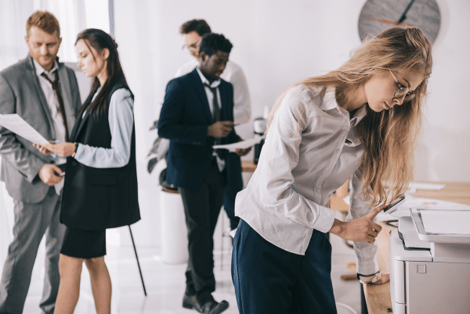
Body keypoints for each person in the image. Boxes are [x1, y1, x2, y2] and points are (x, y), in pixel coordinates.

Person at [231, 26, 432, 314]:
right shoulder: (302, 100)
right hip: (264, 238)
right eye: (400, 85)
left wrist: (368, 270)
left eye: (408, 93)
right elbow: (273, 190)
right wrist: (340, 227)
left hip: (312, 240)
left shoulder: (372, 126)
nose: (401, 99)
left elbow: (362, 204)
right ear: (377, 63)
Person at [34, 28, 140, 314]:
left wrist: (75, 151)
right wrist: (62, 150)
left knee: (68, 263)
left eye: (84, 55)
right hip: (86, 194)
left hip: (91, 201)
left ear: (104, 54)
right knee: (94, 261)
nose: (79, 62)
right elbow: (91, 143)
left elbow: (120, 155)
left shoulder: (118, 98)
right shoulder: (98, 93)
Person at [159, 33, 250, 314]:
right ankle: (203, 296)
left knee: (204, 233)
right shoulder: (179, 86)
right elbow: (166, 128)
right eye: (218, 61)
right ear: (202, 57)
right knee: (199, 234)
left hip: (219, 168)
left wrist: (237, 144)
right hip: (190, 170)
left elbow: (225, 128)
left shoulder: (225, 88)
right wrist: (205, 132)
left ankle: (190, 291)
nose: (222, 67)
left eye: (226, 62)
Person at [0, 11, 81, 314]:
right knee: (22, 257)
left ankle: (53, 309)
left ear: (60, 41)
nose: (44, 52)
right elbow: (2, 137)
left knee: (59, 255)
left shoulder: (71, 74)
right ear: (26, 41)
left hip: (68, 179)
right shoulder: (9, 78)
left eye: (50, 44)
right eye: (37, 45)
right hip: (31, 182)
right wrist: (38, 168)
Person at [176, 19, 251, 230]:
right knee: (199, 225)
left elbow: (245, 112)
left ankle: (238, 262)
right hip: (196, 156)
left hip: (226, 154)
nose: (192, 50)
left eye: (195, 44)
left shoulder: (232, 72)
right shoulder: (182, 75)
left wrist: (217, 120)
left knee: (236, 214)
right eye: (188, 46)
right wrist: (206, 125)